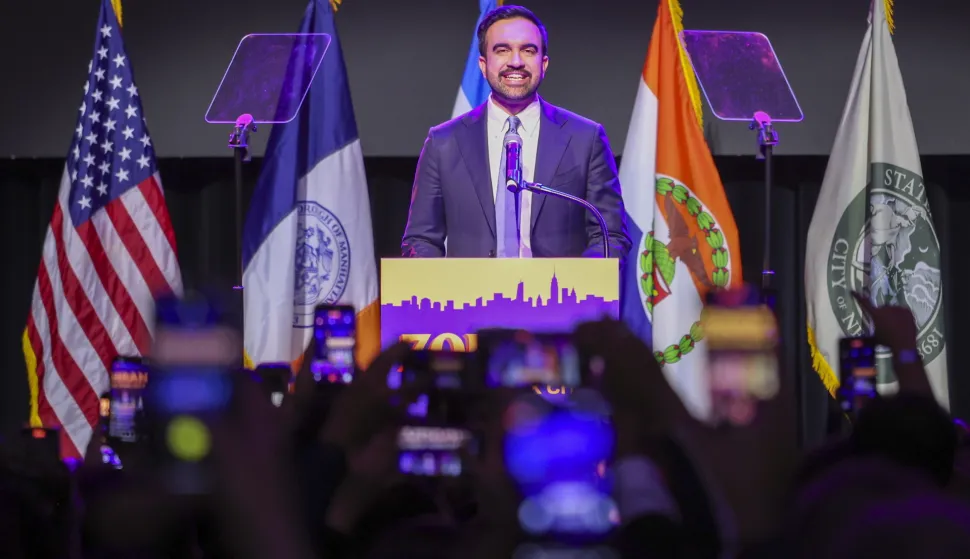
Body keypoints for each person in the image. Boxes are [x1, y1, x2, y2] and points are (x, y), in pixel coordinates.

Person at [401, 5, 631, 260]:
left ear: (543, 63)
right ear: (483, 64)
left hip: (557, 297)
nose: (516, 62)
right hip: (468, 297)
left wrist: (577, 287)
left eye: (528, 50)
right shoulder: (443, 143)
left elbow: (610, 236)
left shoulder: (585, 139)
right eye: (502, 50)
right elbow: (421, 239)